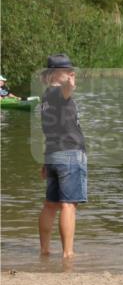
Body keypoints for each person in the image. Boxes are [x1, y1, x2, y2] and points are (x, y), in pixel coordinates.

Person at [38, 54, 87, 260]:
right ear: (55, 74)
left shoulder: (45, 98)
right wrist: (70, 84)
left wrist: (45, 161)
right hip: (69, 154)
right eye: (66, 70)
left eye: (70, 70)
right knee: (68, 204)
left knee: (50, 204)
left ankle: (45, 251)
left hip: (53, 155)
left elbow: (52, 129)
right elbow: (67, 90)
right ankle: (68, 253)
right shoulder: (59, 92)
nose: (70, 72)